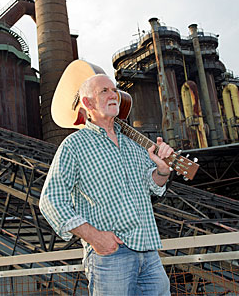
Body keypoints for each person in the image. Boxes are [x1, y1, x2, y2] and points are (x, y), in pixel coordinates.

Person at [39, 74, 173, 295]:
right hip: (112, 256)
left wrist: (162, 171)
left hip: (149, 251)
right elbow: (50, 200)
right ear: (88, 103)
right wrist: (94, 237)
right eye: (104, 91)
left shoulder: (134, 143)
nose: (114, 95)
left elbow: (151, 187)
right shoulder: (74, 145)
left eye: (114, 90)